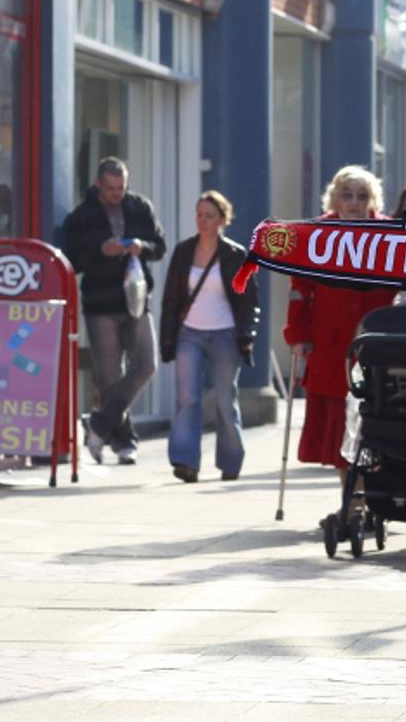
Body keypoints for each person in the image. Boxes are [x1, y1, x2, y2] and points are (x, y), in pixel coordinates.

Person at [284, 166, 396, 508]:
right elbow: (299, 291)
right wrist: (298, 335)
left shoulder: (389, 232)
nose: (354, 202)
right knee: (338, 427)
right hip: (332, 347)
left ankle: (368, 498)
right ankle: (351, 501)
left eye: (362, 196)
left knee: (379, 420)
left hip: (379, 342)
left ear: (372, 200)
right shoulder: (317, 232)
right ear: (334, 197)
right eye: (347, 195)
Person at [62, 156, 167, 465]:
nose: (117, 193)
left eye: (121, 187)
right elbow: (72, 261)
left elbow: (159, 246)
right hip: (100, 302)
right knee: (109, 377)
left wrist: (141, 247)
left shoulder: (140, 207)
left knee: (147, 364)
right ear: (98, 185)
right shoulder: (81, 217)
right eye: (111, 189)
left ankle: (97, 424)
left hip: (136, 298)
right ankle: (124, 442)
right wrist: (100, 251)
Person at [158, 192, 260, 483]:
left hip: (225, 335)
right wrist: (168, 340)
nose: (202, 221)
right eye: (199, 214)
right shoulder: (183, 251)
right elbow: (171, 300)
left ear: (223, 220)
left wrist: (246, 334)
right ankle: (185, 462)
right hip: (190, 333)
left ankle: (230, 462)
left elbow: (249, 300)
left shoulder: (235, 254)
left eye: (209, 216)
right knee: (188, 399)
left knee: (225, 400)